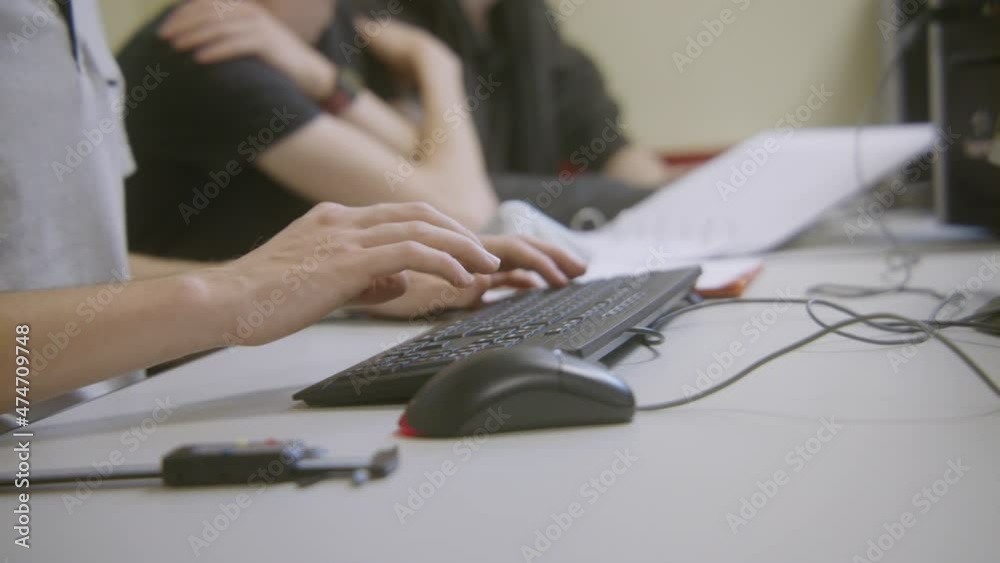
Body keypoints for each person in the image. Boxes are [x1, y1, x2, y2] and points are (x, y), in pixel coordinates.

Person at [0, 0, 585, 419]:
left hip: (89, 429)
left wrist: (321, 286)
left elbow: (61, 270)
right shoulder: (208, 44)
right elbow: (465, 202)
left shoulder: (74, 18)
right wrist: (226, 294)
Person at [119, 0, 500, 262]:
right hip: (183, 363)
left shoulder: (266, 48)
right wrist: (438, 65)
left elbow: (424, 154)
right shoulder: (213, 54)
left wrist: (322, 77)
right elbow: (467, 218)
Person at [360, 0, 678, 224]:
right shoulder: (383, 28)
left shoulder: (524, 19)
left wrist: (669, 203)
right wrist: (637, 200)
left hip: (523, 260)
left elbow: (606, 140)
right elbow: (457, 194)